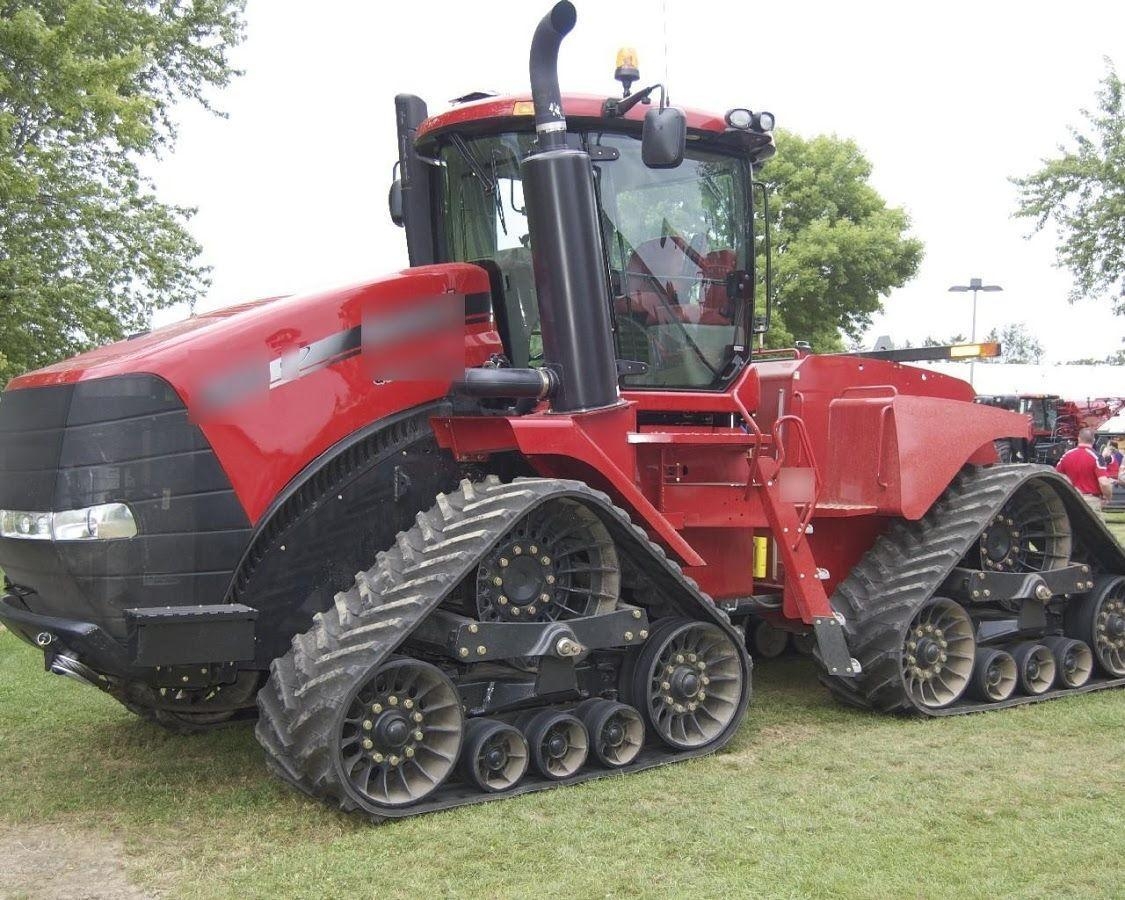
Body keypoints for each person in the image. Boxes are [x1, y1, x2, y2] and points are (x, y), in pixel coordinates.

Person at [1056, 428, 1110, 514]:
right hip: (1091, 500)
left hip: (1071, 499)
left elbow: (1058, 477)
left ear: (1079, 438)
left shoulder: (1066, 456)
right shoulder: (1097, 457)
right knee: (1092, 527)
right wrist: (1107, 497)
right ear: (1094, 440)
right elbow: (1104, 482)